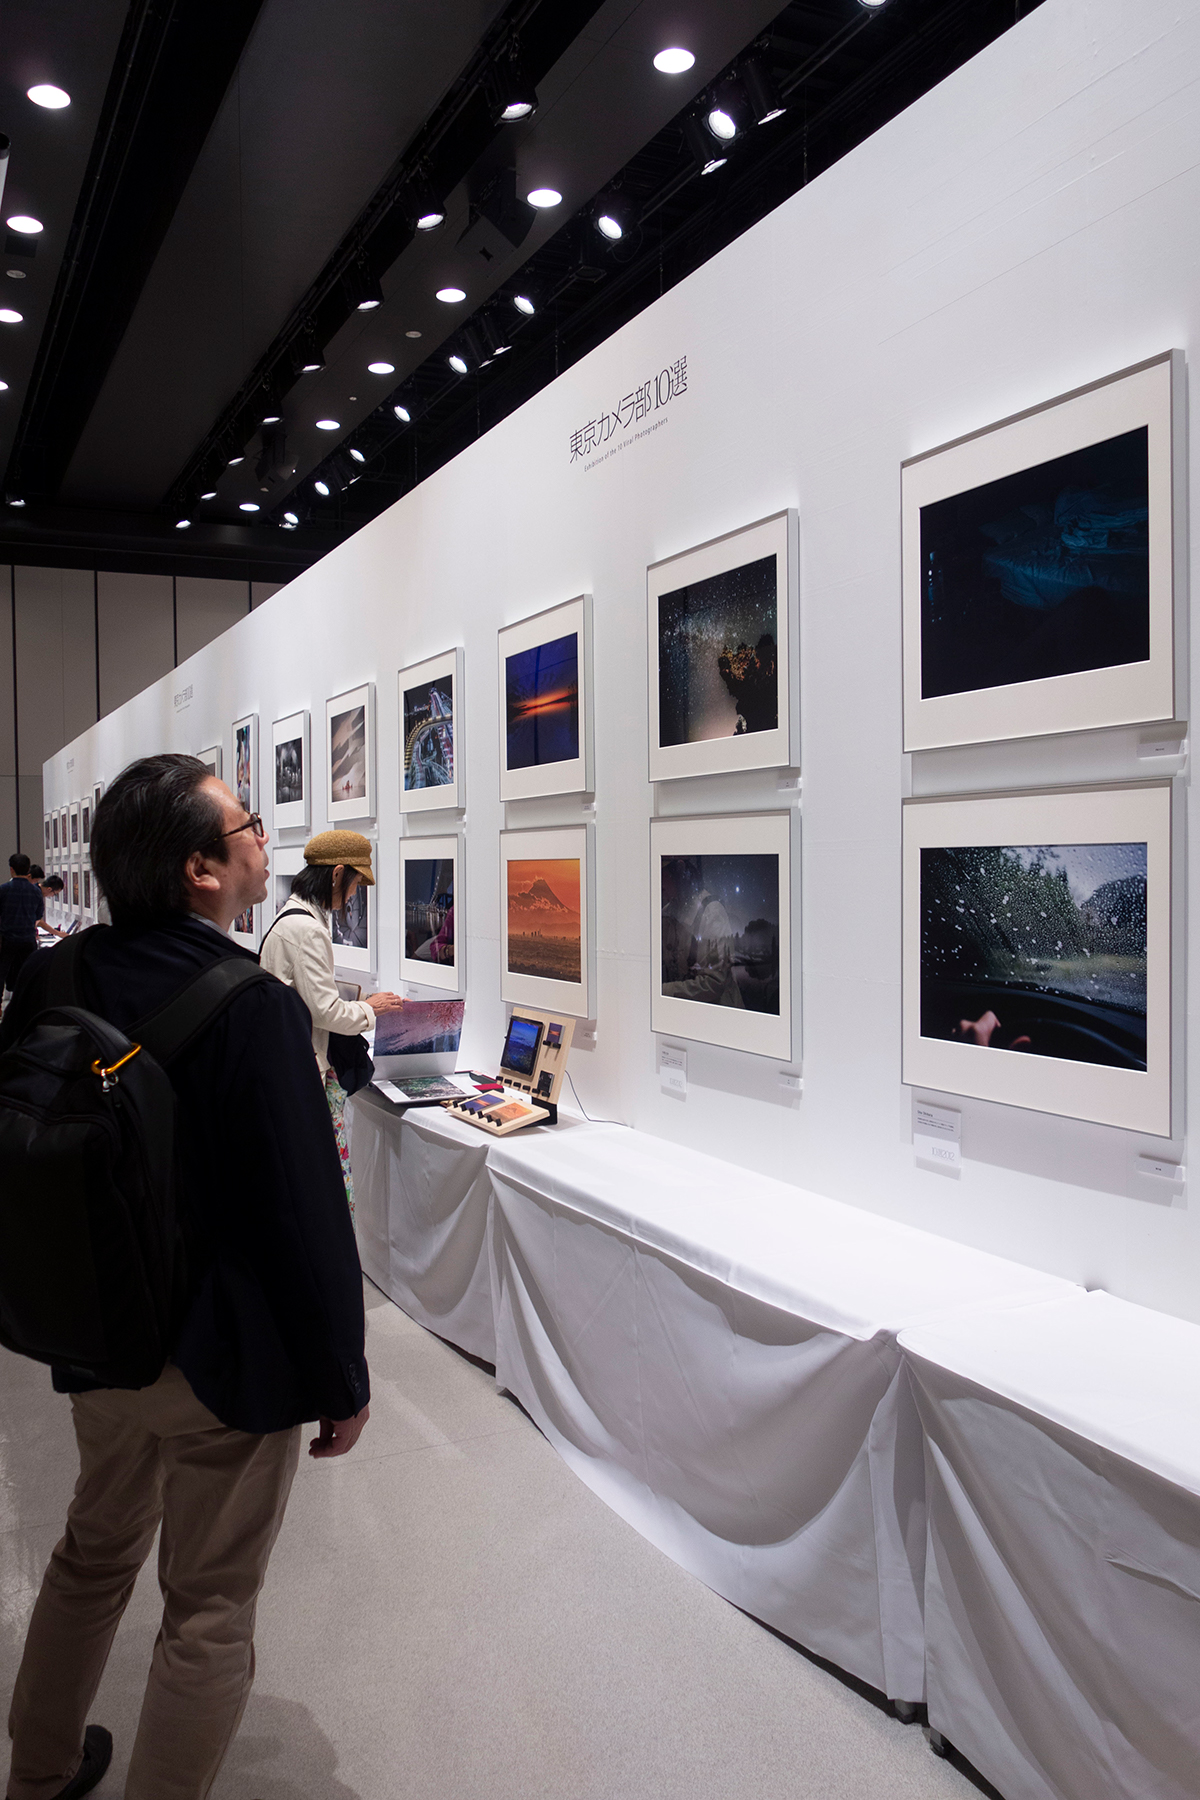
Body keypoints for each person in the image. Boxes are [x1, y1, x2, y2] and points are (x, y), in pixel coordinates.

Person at [0, 754, 370, 1800]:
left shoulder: (52, 976)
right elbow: (304, 1214)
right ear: (202, 869)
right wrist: (341, 1375)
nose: (265, 841)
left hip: (96, 1333)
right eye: (249, 825)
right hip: (222, 1365)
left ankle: (39, 1774)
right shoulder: (247, 1006)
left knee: (89, 1554)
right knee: (207, 1611)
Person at [259, 830, 403, 1218]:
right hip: (306, 1072)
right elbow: (325, 1012)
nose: (354, 896)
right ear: (338, 874)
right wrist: (371, 1009)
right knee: (327, 1188)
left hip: (288, 1068)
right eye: (356, 884)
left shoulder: (291, 919)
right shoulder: (307, 930)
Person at [0, 853, 45, 998]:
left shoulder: (4, 889)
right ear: (28, 870)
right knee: (29, 974)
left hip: (7, 939)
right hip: (28, 939)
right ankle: (26, 1006)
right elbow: (38, 915)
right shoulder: (36, 891)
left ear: (11, 869)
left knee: (2, 973)